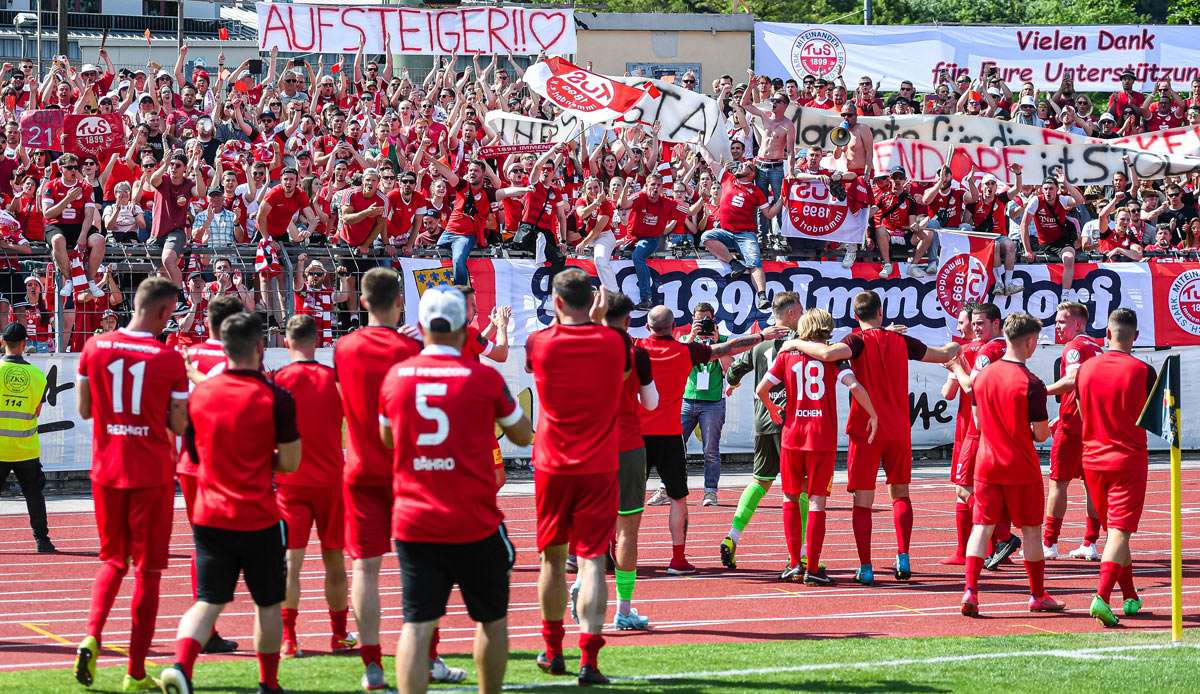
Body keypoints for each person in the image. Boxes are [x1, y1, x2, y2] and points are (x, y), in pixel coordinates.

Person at [380, 285, 533, 694]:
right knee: (491, 620)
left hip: (415, 517)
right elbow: (522, 434)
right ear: (465, 326)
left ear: (423, 326)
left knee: (416, 623)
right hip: (472, 518)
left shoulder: (397, 377)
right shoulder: (481, 377)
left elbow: (388, 438)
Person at [159, 313, 300, 694]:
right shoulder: (276, 397)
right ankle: (268, 684)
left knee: (207, 601)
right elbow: (289, 461)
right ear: (259, 348)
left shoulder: (200, 393)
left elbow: (196, 453)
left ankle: (181, 667)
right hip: (257, 515)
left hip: (211, 513)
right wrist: (258, 458)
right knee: (268, 604)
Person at [780, 291, 959, 585]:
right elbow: (942, 354)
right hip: (898, 429)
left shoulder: (855, 341)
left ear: (855, 316)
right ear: (880, 312)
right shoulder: (901, 341)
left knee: (862, 501)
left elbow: (826, 354)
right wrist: (958, 344)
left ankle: (866, 566)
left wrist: (794, 341)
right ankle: (903, 557)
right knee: (900, 494)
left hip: (865, 429)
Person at [74, 277, 188, 692]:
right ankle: (135, 672)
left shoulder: (95, 347)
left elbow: (85, 410)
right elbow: (178, 423)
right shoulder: (169, 359)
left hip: (107, 468)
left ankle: (91, 635)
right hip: (152, 472)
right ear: (161, 312)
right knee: (150, 573)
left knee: (112, 561)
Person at [332, 267, 432, 691]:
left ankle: (372, 664)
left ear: (363, 301)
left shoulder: (344, 347)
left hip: (359, 466)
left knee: (365, 571)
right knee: (424, 567)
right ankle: (427, 657)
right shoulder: (410, 346)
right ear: (398, 301)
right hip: (406, 468)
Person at [526, 269, 626, 686]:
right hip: (599, 464)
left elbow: (542, 352)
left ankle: (553, 649)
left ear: (558, 302)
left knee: (552, 558)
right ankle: (590, 657)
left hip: (552, 464)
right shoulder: (614, 342)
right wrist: (601, 322)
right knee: (591, 562)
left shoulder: (540, 343)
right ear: (595, 301)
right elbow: (617, 372)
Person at [640, 305, 786, 574]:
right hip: (669, 435)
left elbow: (725, 350)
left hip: (638, 435)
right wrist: (762, 336)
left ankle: (613, 554)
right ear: (675, 328)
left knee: (627, 500)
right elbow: (728, 348)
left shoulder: (636, 349)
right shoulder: (684, 350)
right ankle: (678, 558)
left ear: (647, 327)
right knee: (678, 499)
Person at [757, 308, 878, 586]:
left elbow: (762, 388)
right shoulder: (834, 357)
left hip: (792, 435)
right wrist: (872, 414)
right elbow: (855, 387)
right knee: (816, 503)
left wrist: (774, 410)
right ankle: (812, 567)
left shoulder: (787, 354)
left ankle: (793, 563)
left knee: (789, 498)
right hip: (821, 437)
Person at [961, 312, 1065, 618]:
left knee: (981, 529)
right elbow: (1041, 435)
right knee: (1032, 531)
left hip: (987, 464)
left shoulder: (983, 377)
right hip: (1020, 467)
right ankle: (1036, 594)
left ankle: (970, 590)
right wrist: (1054, 426)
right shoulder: (1032, 383)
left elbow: (978, 421)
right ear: (1030, 342)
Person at [273, 315, 356, 659]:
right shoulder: (332, 380)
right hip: (330, 480)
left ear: (287, 343)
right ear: (318, 340)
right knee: (334, 560)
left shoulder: (279, 380)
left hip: (291, 481)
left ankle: (290, 638)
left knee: (292, 562)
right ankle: (338, 635)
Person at [1077, 308, 1155, 627]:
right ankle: (1102, 597)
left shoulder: (1085, 369)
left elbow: (1082, 410)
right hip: (1128, 459)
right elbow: (1153, 417)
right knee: (1120, 531)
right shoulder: (1143, 370)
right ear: (1134, 337)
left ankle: (1131, 595)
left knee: (1114, 533)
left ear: (1106, 334)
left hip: (1092, 458)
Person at [176, 295, 244, 656]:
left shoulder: (189, 355)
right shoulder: (238, 357)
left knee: (202, 545)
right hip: (223, 462)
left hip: (189, 458)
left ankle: (206, 626)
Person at [720, 292, 804, 573]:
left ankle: (733, 536)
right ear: (791, 314)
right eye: (800, 309)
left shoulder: (760, 343)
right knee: (799, 488)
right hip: (788, 420)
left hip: (762, 420)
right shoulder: (800, 342)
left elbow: (734, 371)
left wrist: (732, 383)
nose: (803, 314)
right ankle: (802, 553)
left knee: (761, 480)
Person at [944, 304, 1019, 571]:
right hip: (999, 427)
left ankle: (1002, 539)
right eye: (972, 323)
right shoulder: (1004, 349)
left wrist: (955, 365)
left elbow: (967, 386)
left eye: (979, 323)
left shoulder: (987, 350)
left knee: (964, 488)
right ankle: (999, 545)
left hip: (978, 428)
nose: (974, 328)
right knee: (996, 490)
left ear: (996, 324)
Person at [599, 292, 658, 631]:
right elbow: (651, 403)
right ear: (628, 318)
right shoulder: (637, 354)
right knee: (628, 532)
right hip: (628, 446)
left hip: (591, 445)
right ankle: (623, 608)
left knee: (591, 526)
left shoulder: (585, 349)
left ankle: (583, 589)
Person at [1042, 302, 1105, 561]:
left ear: (1078, 324)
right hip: (1093, 425)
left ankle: (1048, 543)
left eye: (1062, 321)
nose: (1057, 325)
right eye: (1056, 321)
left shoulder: (1074, 348)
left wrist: (1039, 390)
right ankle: (1090, 543)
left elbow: (1073, 380)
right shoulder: (1097, 347)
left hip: (1073, 428)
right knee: (1092, 487)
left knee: (1058, 484)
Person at [0, 323, 52, 553]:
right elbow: (36, 410)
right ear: (25, 343)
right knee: (33, 494)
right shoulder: (37, 375)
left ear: (3, 342)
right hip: (26, 447)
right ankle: (43, 541)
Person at [701, 160, 773, 309]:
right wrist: (701, 144)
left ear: (752, 173)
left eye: (745, 165)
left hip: (746, 235)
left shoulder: (756, 191)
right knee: (706, 237)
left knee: (754, 262)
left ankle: (762, 296)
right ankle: (735, 264)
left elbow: (769, 214)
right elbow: (711, 162)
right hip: (726, 232)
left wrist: (783, 201)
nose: (740, 165)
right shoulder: (728, 178)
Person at [679, 303, 729, 506]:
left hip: (713, 403)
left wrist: (717, 342)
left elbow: (729, 369)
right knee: (674, 446)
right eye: (699, 320)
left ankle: (710, 491)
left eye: (706, 319)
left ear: (714, 320)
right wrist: (692, 337)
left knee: (710, 450)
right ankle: (668, 488)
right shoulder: (685, 341)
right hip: (688, 399)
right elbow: (676, 360)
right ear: (692, 320)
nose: (703, 323)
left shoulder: (723, 341)